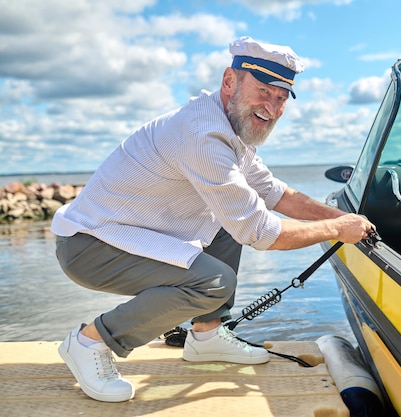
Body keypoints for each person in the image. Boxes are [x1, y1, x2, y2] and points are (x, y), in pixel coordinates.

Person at [50, 36, 375, 403]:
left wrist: (346, 216)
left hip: (126, 235)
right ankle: (91, 341)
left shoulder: (231, 128)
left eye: (281, 97)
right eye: (264, 90)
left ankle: (205, 336)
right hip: (89, 246)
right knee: (215, 282)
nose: (272, 105)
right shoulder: (203, 135)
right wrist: (338, 230)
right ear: (229, 81)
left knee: (227, 220)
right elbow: (261, 232)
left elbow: (275, 193)